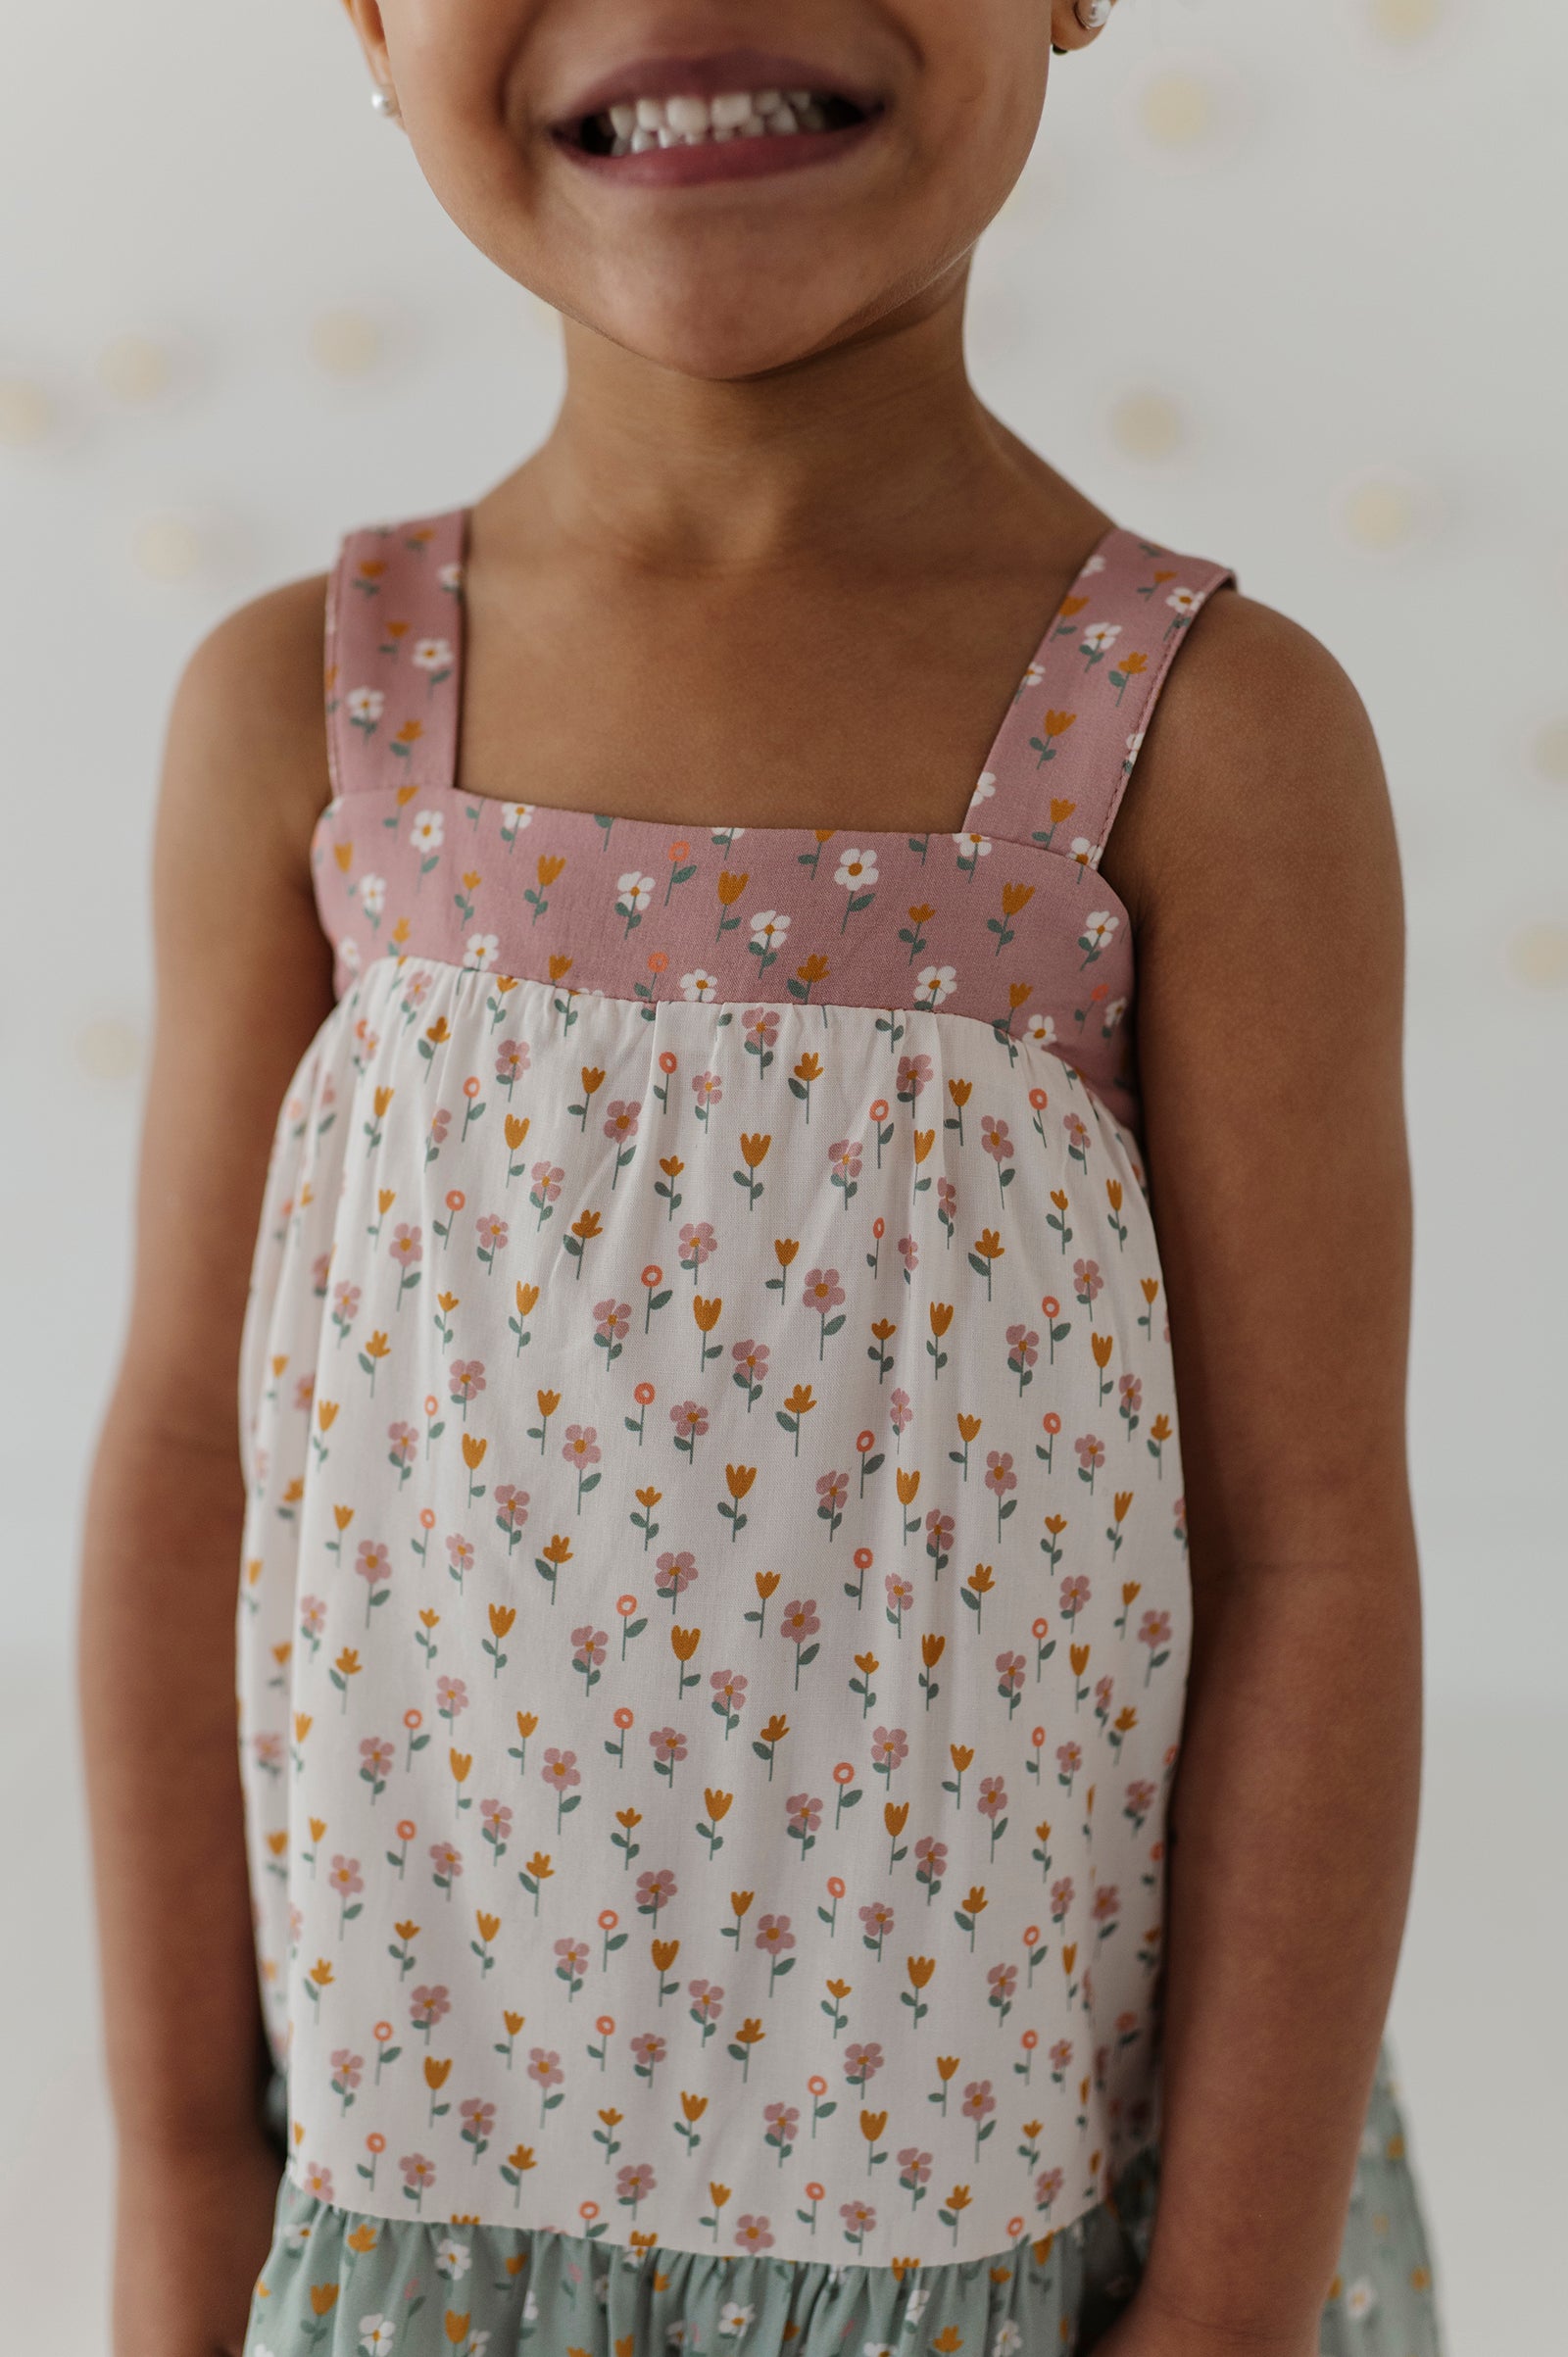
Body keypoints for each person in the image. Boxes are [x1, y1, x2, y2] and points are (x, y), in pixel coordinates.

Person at [79, 3, 1446, 2352]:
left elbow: (1303, 1557)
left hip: (1001, 2242)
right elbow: (193, 1464)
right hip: (406, 2213)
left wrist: (1223, 2304)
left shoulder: (1206, 744)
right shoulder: (303, 719)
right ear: (373, 20)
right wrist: (181, 2168)